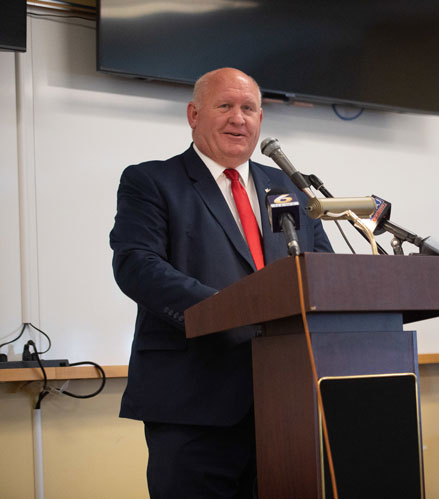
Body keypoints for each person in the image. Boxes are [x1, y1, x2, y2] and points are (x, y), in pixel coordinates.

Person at [110, 67, 332, 498]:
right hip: (192, 405)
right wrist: (229, 309)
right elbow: (137, 265)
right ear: (193, 114)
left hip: (287, 403)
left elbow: (320, 267)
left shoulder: (286, 187)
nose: (239, 118)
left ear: (261, 119)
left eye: (248, 108)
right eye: (225, 106)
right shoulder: (152, 181)